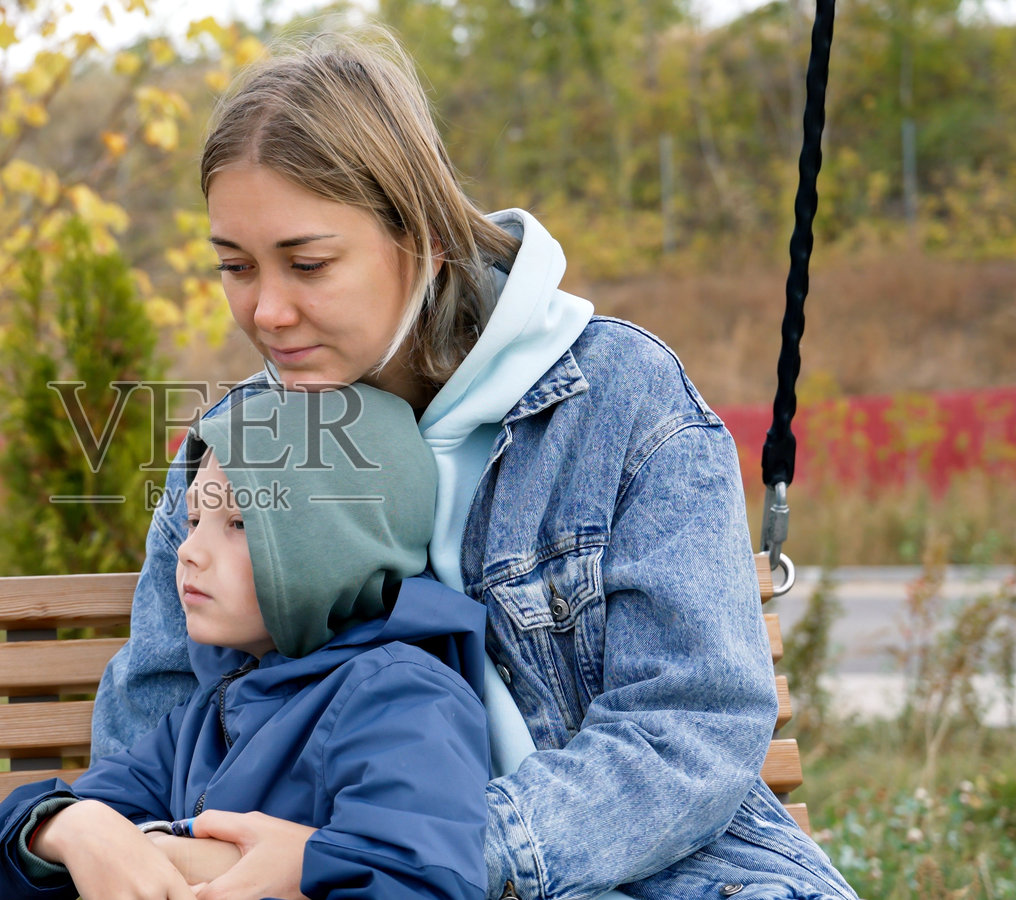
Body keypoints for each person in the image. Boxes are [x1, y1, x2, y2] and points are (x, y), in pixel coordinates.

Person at [91, 26, 860, 900]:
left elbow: (689, 721)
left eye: (307, 263)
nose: (265, 310)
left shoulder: (616, 401)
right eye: (235, 266)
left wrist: (397, 861)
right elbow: (147, 740)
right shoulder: (234, 450)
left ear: (418, 237)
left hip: (659, 877)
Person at [0, 384, 497, 899]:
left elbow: (421, 880)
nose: (189, 551)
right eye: (194, 518)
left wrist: (203, 861)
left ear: (339, 546)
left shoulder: (401, 696)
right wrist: (74, 828)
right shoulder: (208, 717)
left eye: (239, 523)